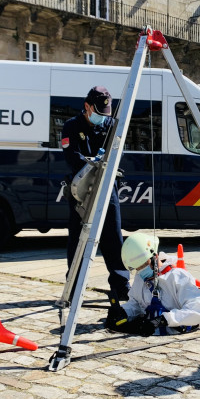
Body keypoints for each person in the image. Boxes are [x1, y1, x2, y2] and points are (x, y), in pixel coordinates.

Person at [62, 86, 130, 300]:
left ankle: (121, 286)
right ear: (87, 107)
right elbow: (71, 156)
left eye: (105, 114)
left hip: (107, 188)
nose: (103, 118)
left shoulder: (111, 125)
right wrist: (92, 163)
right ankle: (73, 287)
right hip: (81, 191)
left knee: (113, 237)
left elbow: (120, 153)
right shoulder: (71, 126)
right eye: (98, 113)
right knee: (78, 239)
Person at [106, 233, 200, 336]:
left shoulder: (178, 277)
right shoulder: (140, 278)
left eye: (144, 264)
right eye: (138, 268)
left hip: (176, 330)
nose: (141, 270)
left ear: (155, 256)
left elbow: (198, 311)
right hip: (149, 331)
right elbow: (136, 303)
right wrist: (123, 311)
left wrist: (163, 320)